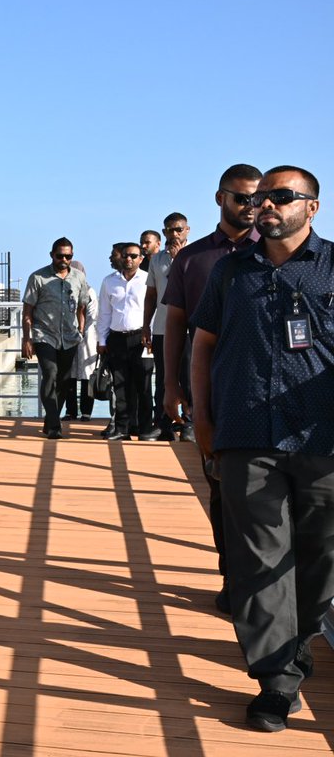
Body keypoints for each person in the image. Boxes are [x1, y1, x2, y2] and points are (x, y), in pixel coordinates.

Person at [191, 165, 325, 733]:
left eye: (281, 196)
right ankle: (275, 680)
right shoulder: (230, 271)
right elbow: (204, 345)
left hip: (325, 435)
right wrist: (201, 418)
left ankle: (303, 635)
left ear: (311, 207)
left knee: (323, 555)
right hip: (247, 430)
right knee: (258, 559)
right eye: (261, 197)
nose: (265, 205)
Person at [163, 164, 261, 613]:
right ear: (220, 198)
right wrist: (171, 386)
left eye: (257, 199)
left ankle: (265, 585)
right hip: (212, 392)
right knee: (220, 488)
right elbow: (176, 326)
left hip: (265, 392)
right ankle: (232, 576)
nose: (250, 207)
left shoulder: (275, 253)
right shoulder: (194, 258)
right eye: (240, 198)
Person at [21, 237, 89, 438]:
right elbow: (27, 310)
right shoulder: (38, 278)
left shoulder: (78, 278)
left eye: (68, 256)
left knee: (64, 381)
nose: (64, 259)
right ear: (52, 255)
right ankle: (54, 427)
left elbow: (82, 306)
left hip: (69, 337)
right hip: (45, 335)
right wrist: (27, 338)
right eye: (60, 255)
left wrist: (81, 331)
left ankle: (50, 419)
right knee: (50, 374)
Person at [97, 243, 154, 440]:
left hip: (142, 339)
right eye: (125, 255)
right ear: (119, 258)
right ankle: (122, 429)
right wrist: (101, 340)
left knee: (144, 386)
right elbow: (104, 312)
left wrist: (152, 337)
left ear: (141, 258)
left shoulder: (148, 280)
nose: (128, 259)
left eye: (133, 255)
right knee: (120, 386)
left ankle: (146, 429)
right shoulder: (109, 282)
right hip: (117, 338)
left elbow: (153, 310)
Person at [142, 213, 189, 440]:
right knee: (163, 376)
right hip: (162, 327)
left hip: (190, 328)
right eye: (169, 230)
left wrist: (180, 259)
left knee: (189, 377)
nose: (174, 234)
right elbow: (151, 295)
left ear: (187, 230)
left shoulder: (195, 256)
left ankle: (189, 423)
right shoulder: (156, 260)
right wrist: (145, 326)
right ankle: (163, 423)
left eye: (178, 229)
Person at [63, 261, 98, 421]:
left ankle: (86, 412)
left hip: (87, 338)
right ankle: (70, 411)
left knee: (86, 376)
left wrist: (80, 330)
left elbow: (93, 315)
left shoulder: (90, 291)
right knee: (69, 375)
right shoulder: (66, 290)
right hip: (69, 336)